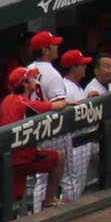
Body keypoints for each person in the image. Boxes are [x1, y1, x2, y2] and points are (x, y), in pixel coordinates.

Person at [0, 66, 67, 208]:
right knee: (59, 157)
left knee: (15, 198)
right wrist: (68, 102)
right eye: (31, 78)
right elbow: (58, 105)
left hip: (6, 157)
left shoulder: (6, 100)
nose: (35, 80)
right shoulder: (24, 102)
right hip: (22, 159)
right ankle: (49, 200)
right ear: (25, 83)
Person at [27, 30, 71, 208]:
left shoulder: (27, 70)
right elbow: (59, 106)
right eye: (53, 44)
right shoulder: (52, 74)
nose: (57, 47)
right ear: (45, 50)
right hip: (52, 131)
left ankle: (38, 213)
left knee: (41, 178)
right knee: (62, 174)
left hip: (34, 131)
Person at [57, 49, 93, 201]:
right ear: (73, 67)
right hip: (74, 144)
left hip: (81, 142)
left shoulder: (76, 86)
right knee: (72, 185)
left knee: (77, 184)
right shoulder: (67, 88)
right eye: (81, 65)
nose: (85, 67)